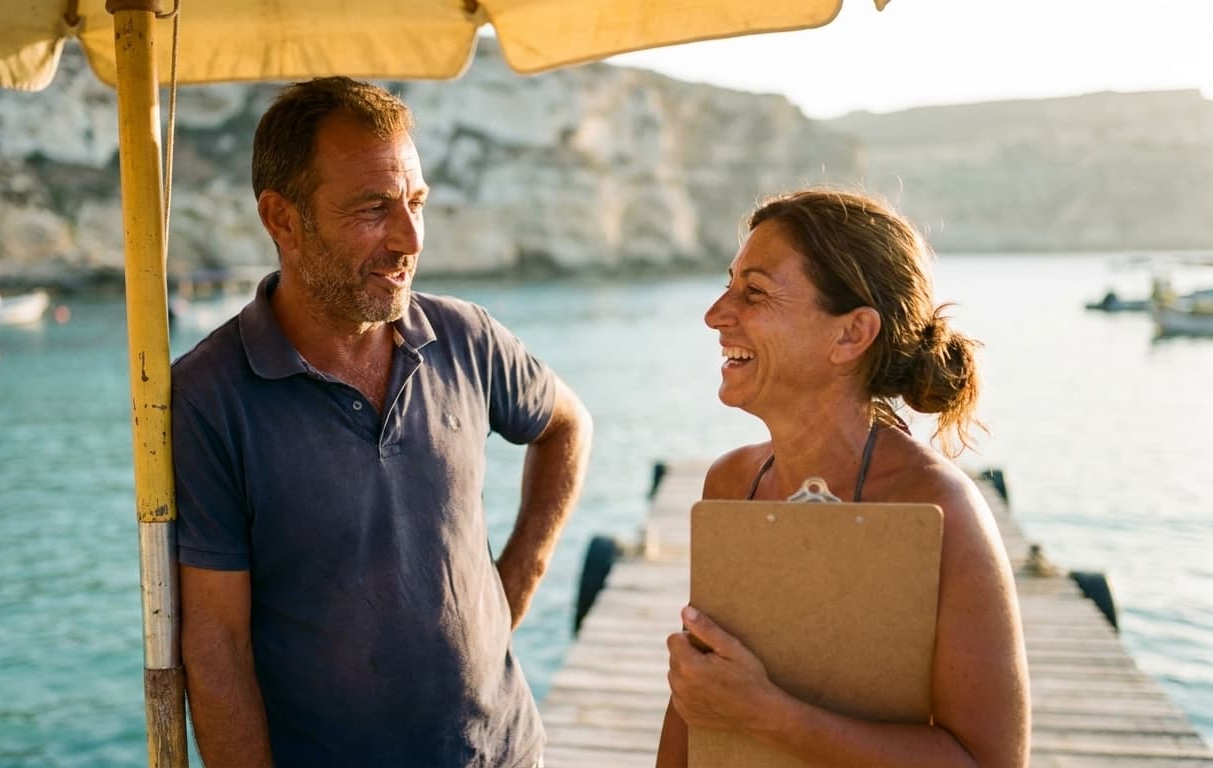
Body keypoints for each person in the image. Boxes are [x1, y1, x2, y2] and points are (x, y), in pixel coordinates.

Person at [172, 77, 593, 767]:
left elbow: (566, 427)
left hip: (504, 753)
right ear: (283, 220)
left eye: (416, 203)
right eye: (373, 208)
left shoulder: (466, 337)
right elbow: (217, 645)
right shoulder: (207, 396)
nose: (408, 238)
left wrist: (517, 579)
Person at [657, 188, 1030, 766]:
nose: (715, 314)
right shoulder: (732, 484)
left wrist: (767, 713)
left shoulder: (935, 510)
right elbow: (698, 699)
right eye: (729, 283)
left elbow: (989, 762)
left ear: (851, 334)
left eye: (753, 291)